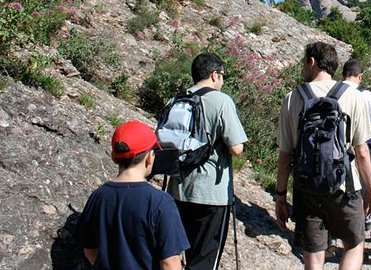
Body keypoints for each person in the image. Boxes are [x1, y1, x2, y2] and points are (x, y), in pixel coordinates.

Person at [275, 42, 371, 270]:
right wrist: (370, 190)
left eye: (304, 63)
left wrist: (280, 196)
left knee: (313, 254)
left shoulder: (292, 98)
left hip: (306, 187)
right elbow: (361, 151)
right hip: (345, 187)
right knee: (353, 244)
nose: (303, 68)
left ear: (312, 62)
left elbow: (285, 156)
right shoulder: (353, 96)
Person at [167, 53, 248, 270]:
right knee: (203, 260)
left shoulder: (176, 99)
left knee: (173, 256)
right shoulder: (221, 101)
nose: (222, 81)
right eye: (222, 76)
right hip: (211, 194)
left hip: (177, 189)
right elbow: (236, 148)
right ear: (214, 75)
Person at [77, 120, 190, 269]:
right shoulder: (161, 202)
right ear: (149, 158)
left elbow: (89, 250)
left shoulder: (98, 196)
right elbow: (170, 263)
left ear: (113, 156)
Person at [342, 58, 371, 242]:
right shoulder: (368, 96)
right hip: (368, 153)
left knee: (350, 195)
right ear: (360, 76)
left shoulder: (332, 93)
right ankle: (369, 231)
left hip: (342, 156)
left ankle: (341, 234)